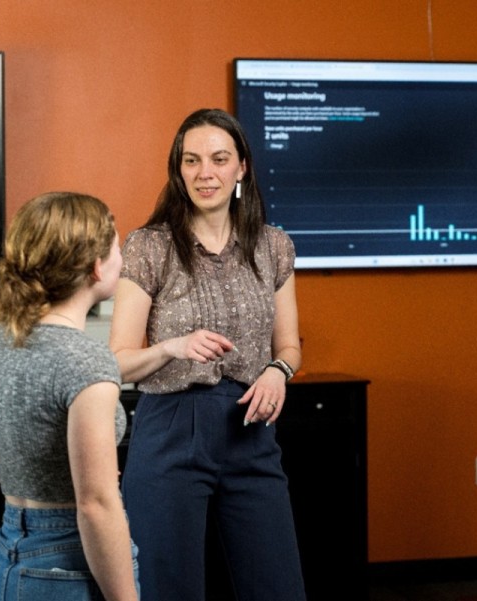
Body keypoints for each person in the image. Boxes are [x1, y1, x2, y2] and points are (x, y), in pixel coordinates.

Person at [109, 108, 305, 601]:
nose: (205, 173)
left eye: (219, 159)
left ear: (242, 167)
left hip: (251, 429)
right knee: (165, 589)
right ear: (178, 170)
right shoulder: (148, 247)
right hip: (170, 428)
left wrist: (279, 372)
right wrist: (172, 347)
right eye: (191, 161)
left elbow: (290, 346)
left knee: (278, 588)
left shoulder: (273, 246)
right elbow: (117, 360)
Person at [0, 192, 139, 601]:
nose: (122, 260)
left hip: (2, 562)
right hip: (66, 563)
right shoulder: (88, 361)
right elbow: (96, 506)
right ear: (96, 265)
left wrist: (46, 472)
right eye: (118, 247)